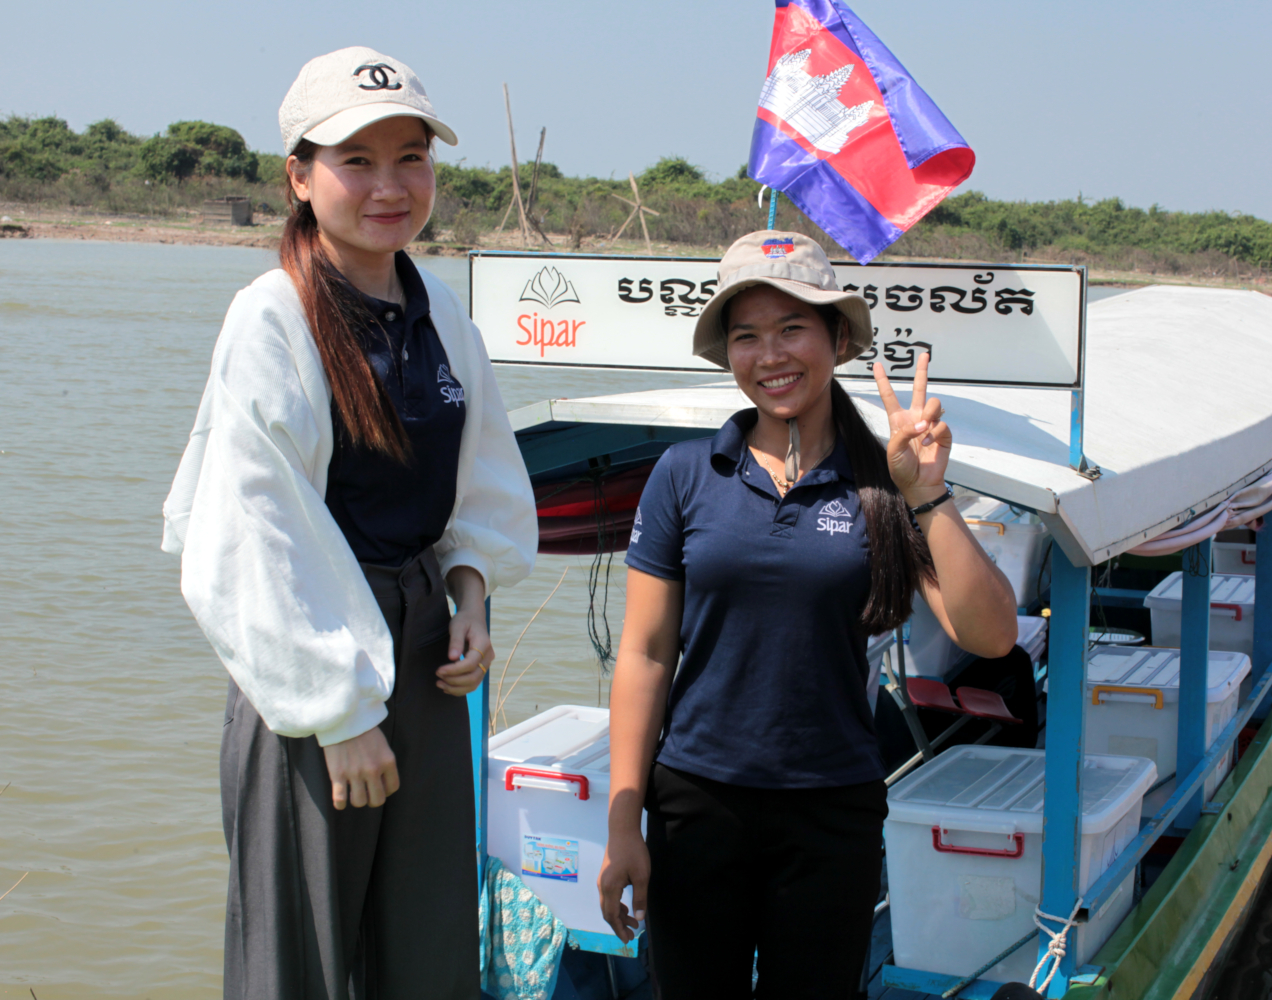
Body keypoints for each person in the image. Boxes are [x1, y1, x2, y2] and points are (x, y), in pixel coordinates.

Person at [161, 47, 538, 999]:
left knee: (430, 945)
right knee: (304, 960)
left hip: (426, 661)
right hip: (310, 675)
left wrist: (471, 594)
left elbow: (483, 479)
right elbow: (250, 537)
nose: (389, 186)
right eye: (355, 160)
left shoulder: (438, 309)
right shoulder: (272, 318)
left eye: (410, 157)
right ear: (298, 174)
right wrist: (335, 713)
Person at [597, 231, 1019, 999]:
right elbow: (647, 655)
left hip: (832, 809)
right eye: (747, 336)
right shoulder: (685, 474)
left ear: (839, 338)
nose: (770, 355)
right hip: (696, 802)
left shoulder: (882, 484)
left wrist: (926, 492)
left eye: (792, 328)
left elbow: (990, 635)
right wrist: (625, 825)